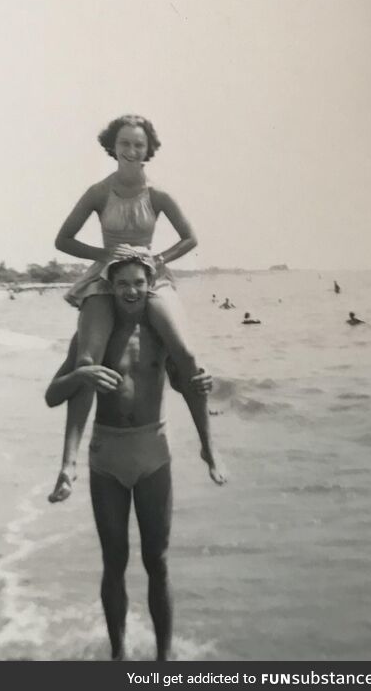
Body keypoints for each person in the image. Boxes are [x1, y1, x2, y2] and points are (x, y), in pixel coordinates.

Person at [45, 257, 226, 661]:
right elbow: (52, 395)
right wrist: (80, 376)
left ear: (150, 286)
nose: (130, 291)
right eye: (122, 283)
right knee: (114, 561)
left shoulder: (160, 332)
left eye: (138, 283)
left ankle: (163, 660)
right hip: (107, 455)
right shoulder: (92, 336)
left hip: (152, 453)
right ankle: (119, 656)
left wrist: (202, 382)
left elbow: (186, 383)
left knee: (157, 562)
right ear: (110, 287)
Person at [49, 114, 208, 503]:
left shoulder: (158, 194)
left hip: (148, 275)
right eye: (125, 143)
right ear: (113, 146)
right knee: (87, 360)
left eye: (139, 144)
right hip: (107, 276)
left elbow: (190, 238)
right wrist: (103, 252)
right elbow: (63, 239)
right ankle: (68, 464)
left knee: (186, 353)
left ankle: (208, 444)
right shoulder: (98, 192)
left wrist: (160, 259)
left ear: (148, 149)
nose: (132, 150)